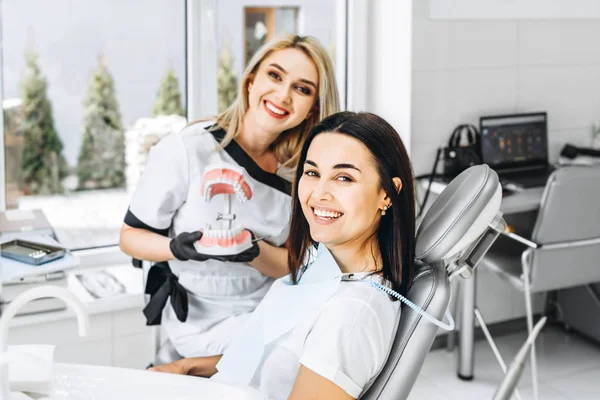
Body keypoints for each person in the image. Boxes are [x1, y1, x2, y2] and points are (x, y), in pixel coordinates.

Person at [150, 111, 417, 400]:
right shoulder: (323, 269)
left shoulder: (351, 314)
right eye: (312, 173)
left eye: (344, 177)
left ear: (387, 194)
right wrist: (188, 367)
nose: (319, 193)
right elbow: (268, 355)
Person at [119, 34, 340, 364]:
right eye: (275, 76)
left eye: (302, 88)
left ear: (313, 109)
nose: (283, 95)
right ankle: (186, 368)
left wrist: (251, 250)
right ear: (251, 81)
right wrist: (176, 248)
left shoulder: (301, 175)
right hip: (198, 320)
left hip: (266, 307)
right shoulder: (187, 150)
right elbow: (129, 238)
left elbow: (291, 264)